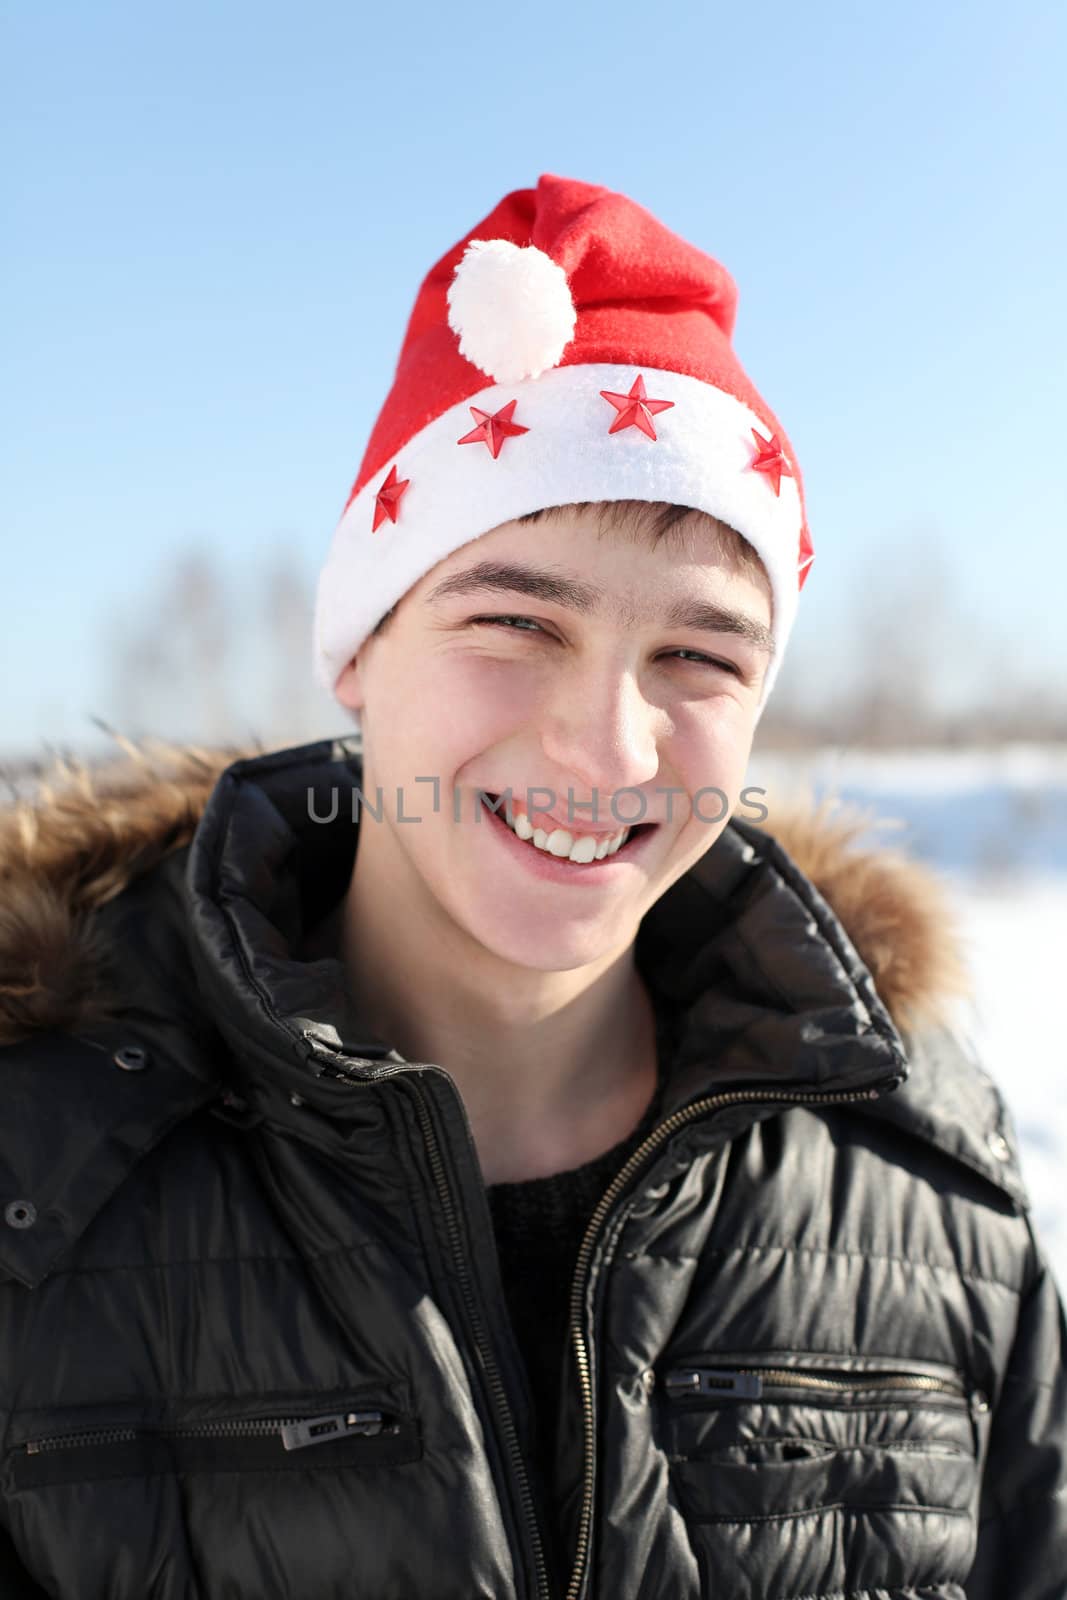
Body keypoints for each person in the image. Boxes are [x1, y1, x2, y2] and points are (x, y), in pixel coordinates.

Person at [1, 173, 1064, 1599]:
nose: (607, 747)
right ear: (361, 649)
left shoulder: (920, 1182)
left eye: (700, 656)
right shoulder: (43, 1171)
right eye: (515, 621)